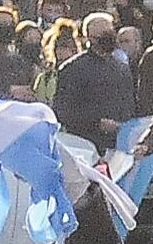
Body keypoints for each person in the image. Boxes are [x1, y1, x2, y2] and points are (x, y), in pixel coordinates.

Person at [47, 13, 138, 145]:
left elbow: (129, 104)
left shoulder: (122, 69)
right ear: (90, 37)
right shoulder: (73, 69)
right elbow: (63, 110)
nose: (110, 37)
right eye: (104, 33)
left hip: (118, 142)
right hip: (84, 143)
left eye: (111, 31)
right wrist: (96, 122)